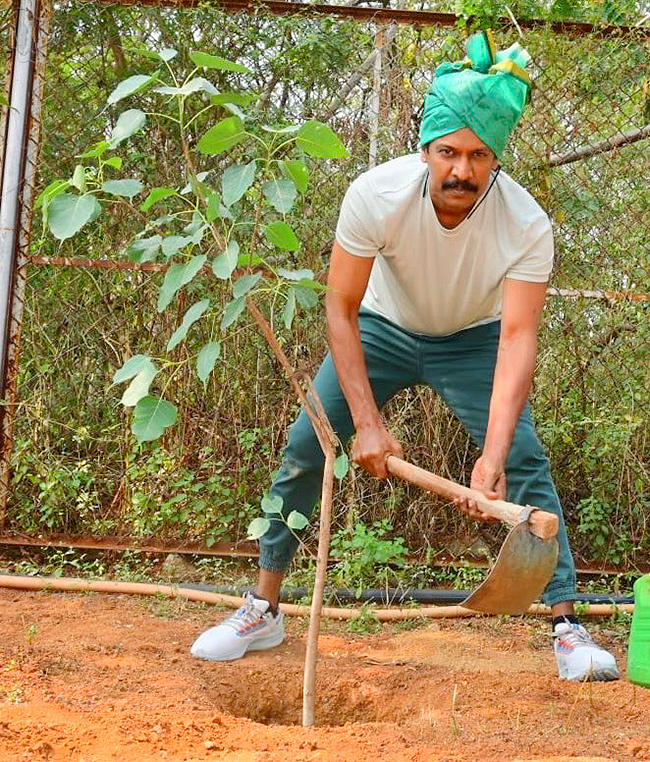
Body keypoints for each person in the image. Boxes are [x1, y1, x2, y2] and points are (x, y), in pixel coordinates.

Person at [191, 31, 619, 681]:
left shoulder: (526, 223)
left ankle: (567, 626)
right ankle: (263, 605)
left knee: (525, 460)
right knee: (308, 443)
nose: (461, 170)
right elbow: (340, 308)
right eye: (448, 151)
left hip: (474, 339)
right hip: (381, 328)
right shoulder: (374, 195)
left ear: (495, 159)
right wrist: (364, 422)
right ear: (425, 150)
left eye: (479, 156)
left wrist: (493, 456)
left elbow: (517, 337)